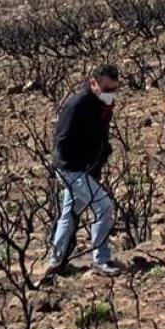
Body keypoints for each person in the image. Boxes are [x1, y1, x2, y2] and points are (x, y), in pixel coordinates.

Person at [45, 64, 121, 279]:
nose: (111, 93)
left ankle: (55, 262)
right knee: (104, 207)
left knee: (69, 214)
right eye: (107, 89)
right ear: (93, 83)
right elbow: (62, 140)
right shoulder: (78, 104)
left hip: (84, 169)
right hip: (72, 169)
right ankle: (101, 259)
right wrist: (77, 165)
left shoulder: (101, 104)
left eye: (114, 89)